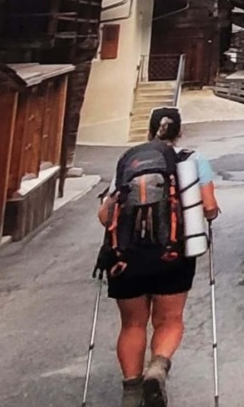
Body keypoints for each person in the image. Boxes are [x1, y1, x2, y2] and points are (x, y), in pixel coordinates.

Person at [96, 107, 219, 407]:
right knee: (169, 320)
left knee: (132, 325)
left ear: (149, 130)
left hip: (126, 257)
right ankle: (157, 368)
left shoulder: (130, 160)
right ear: (180, 132)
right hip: (173, 255)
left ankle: (131, 391)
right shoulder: (192, 160)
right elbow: (209, 206)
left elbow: (104, 216)